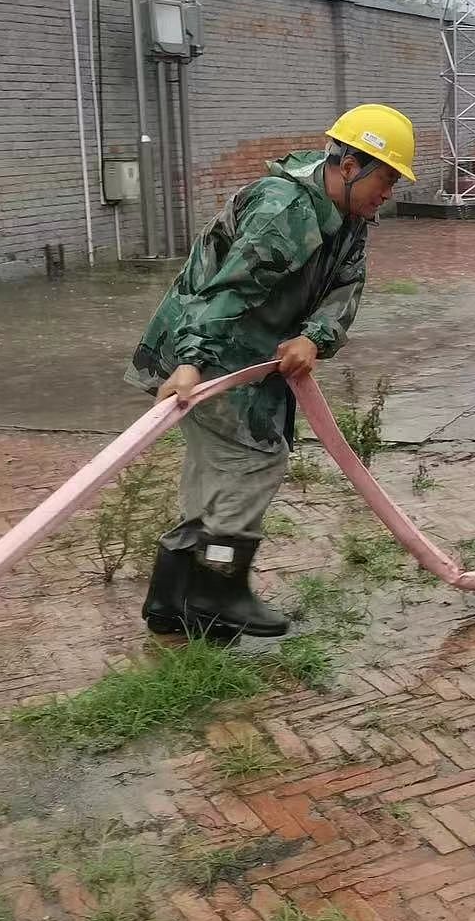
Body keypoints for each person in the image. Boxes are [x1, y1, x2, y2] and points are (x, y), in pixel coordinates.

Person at [125, 104, 417, 638]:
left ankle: (173, 597)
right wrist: (191, 362)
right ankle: (217, 589)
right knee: (254, 459)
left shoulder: (349, 219)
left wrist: (313, 337)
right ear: (349, 166)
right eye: (386, 177)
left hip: (249, 360)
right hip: (209, 352)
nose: (388, 192)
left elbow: (344, 292)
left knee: (216, 469)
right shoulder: (284, 211)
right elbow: (225, 293)